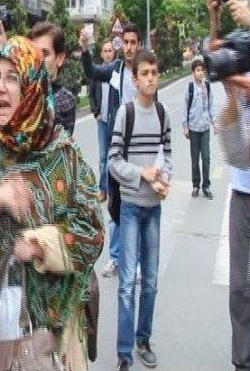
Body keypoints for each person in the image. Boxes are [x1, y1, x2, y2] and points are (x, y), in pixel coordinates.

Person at [0, 36, 104, 371]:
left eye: (13, 77)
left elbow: (93, 232)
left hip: (53, 336)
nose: (0, 88)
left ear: (32, 87)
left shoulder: (64, 155)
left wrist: (41, 246)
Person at [210, 0, 250, 371]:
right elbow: (234, 153)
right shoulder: (248, 84)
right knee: (242, 291)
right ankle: (243, 363)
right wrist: (234, 97)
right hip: (247, 199)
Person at [108, 50, 172, 371]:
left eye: (154, 72)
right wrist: (141, 174)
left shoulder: (162, 113)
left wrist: (165, 179)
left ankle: (143, 339)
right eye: (144, 73)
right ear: (135, 80)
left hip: (154, 209)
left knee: (150, 281)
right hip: (132, 208)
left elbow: (168, 155)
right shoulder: (126, 114)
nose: (150, 77)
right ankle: (124, 352)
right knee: (126, 285)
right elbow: (113, 161)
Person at [81, 23, 142, 279]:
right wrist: (85, 48)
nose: (128, 47)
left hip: (139, 148)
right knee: (116, 208)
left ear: (138, 45)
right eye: (125, 42)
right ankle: (116, 258)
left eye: (132, 43)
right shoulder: (115, 71)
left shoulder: (144, 71)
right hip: (118, 148)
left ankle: (136, 261)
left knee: (137, 206)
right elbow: (92, 71)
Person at [28, 21, 77, 135]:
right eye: (33, 53)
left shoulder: (65, 99)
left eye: (44, 53)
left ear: (59, 59)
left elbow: (39, 125)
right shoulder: (28, 90)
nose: (38, 59)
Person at [182, 58, 216, 199]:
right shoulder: (189, 88)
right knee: (195, 159)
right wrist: (185, 126)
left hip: (205, 127)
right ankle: (196, 185)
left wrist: (214, 122)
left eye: (202, 70)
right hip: (194, 129)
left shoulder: (207, 87)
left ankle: (206, 186)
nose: (200, 73)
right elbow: (185, 108)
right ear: (193, 72)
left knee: (206, 157)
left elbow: (211, 106)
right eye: (197, 70)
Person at [89, 40, 116, 203]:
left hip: (115, 122)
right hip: (102, 121)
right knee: (103, 158)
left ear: (114, 53)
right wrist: (95, 112)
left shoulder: (116, 72)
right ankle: (103, 190)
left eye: (110, 51)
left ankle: (112, 189)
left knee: (115, 157)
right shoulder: (98, 74)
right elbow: (91, 95)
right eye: (105, 51)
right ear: (101, 54)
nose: (107, 53)